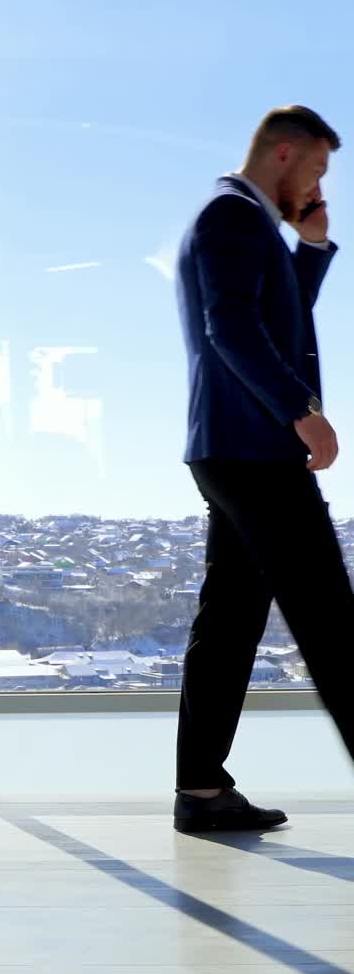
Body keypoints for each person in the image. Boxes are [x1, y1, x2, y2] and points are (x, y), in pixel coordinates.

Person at [173, 104, 354, 834]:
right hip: (253, 451)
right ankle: (200, 789)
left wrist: (311, 248)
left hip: (229, 449)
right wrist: (298, 411)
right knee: (332, 623)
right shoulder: (232, 217)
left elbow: (279, 319)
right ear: (283, 154)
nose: (317, 184)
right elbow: (232, 328)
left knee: (230, 623)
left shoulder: (247, 224)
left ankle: (202, 792)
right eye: (314, 167)